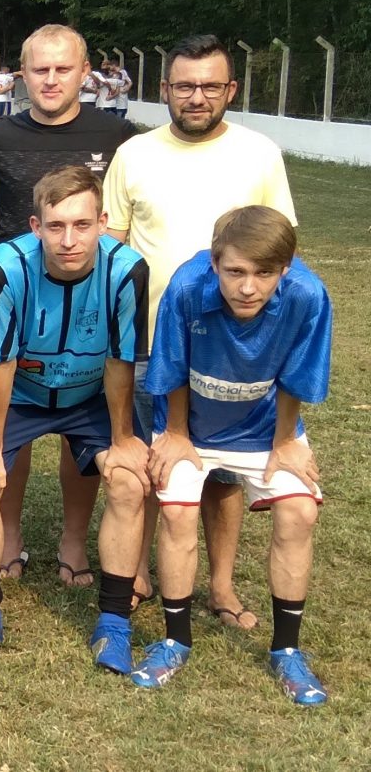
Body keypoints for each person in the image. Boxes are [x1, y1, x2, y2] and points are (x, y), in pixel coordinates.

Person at [103, 34, 298, 630]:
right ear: (164, 89)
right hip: (147, 339)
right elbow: (113, 248)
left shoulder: (259, 154)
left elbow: (282, 249)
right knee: (150, 462)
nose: (197, 97)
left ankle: (220, 585)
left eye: (210, 86)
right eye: (184, 86)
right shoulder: (134, 154)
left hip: (232, 348)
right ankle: (137, 572)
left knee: (221, 475)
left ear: (230, 90)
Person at [130, 206, 330, 706]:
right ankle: (175, 640)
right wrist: (177, 434)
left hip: (266, 429)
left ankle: (287, 650)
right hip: (190, 426)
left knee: (300, 512)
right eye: (235, 271)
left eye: (264, 273)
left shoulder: (308, 296)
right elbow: (171, 366)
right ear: (215, 261)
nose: (248, 287)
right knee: (177, 513)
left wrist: (284, 442)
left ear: (286, 268)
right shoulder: (186, 287)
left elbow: (298, 375)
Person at [0, 166, 149, 667]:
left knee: (129, 481)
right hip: (20, 393)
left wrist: (123, 438)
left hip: (88, 396)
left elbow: (120, 360)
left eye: (82, 225)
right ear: (35, 226)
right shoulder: (7, 266)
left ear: (102, 223)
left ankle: (114, 625)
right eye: (56, 226)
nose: (69, 240)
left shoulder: (127, 270)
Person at [0, 25, 138, 587]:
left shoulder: (118, 135)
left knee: (80, 421)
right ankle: (8, 534)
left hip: (88, 293)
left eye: (63, 69)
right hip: (18, 295)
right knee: (12, 413)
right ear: (22, 74)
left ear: (85, 73)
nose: (51, 79)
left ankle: (73, 540)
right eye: (39, 69)